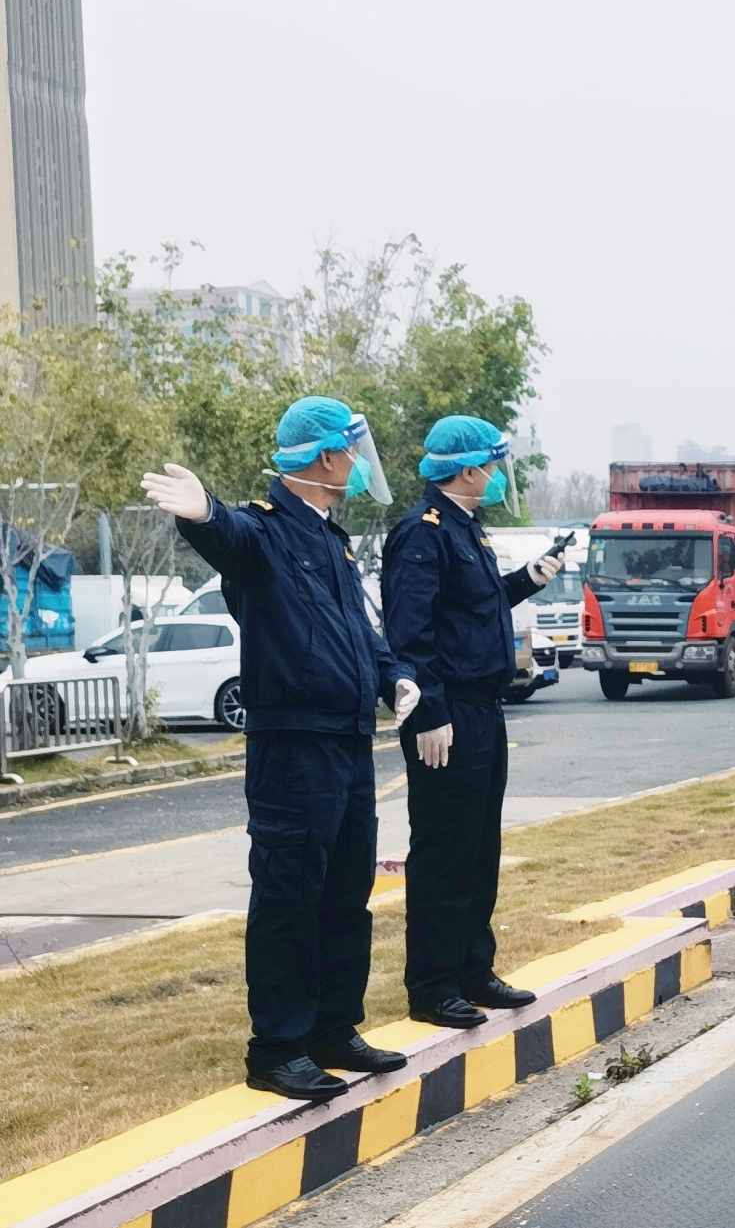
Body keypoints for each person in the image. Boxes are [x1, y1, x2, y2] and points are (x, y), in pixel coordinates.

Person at [142, 397, 421, 1101]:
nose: (358, 465)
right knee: (290, 894)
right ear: (326, 457)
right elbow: (228, 537)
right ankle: (276, 1046)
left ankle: (332, 1027)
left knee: (344, 892)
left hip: (347, 742)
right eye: (352, 452)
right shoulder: (264, 532)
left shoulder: (331, 538)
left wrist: (394, 676)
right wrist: (201, 510)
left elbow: (358, 629)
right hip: (292, 748)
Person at [380, 416, 562, 1029]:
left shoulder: (467, 530)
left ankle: (471, 969)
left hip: (483, 708)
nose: (493, 476)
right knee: (443, 850)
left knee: (480, 847)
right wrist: (427, 710)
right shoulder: (422, 534)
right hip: (446, 712)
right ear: (465, 470)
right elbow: (411, 632)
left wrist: (527, 581)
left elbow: (472, 608)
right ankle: (433, 985)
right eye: (489, 465)